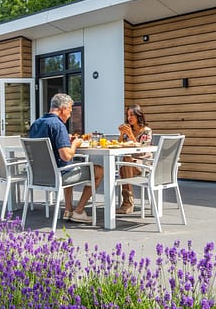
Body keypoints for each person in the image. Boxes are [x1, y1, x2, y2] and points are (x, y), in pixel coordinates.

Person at [28, 93, 104, 223]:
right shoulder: (58, 125)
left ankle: (68, 210)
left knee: (67, 165)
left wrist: (64, 139)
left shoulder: (36, 124)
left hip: (39, 175)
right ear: (63, 109)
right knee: (99, 171)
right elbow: (67, 155)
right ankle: (79, 211)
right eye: (69, 110)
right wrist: (75, 144)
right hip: (58, 176)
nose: (69, 114)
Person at [116, 104, 152, 214]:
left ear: (138, 116)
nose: (129, 118)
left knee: (124, 165)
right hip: (129, 164)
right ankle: (128, 202)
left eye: (132, 115)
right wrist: (122, 134)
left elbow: (142, 150)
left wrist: (130, 135)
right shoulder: (128, 130)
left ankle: (127, 203)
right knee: (125, 163)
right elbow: (118, 145)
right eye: (128, 115)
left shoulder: (146, 131)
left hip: (143, 164)